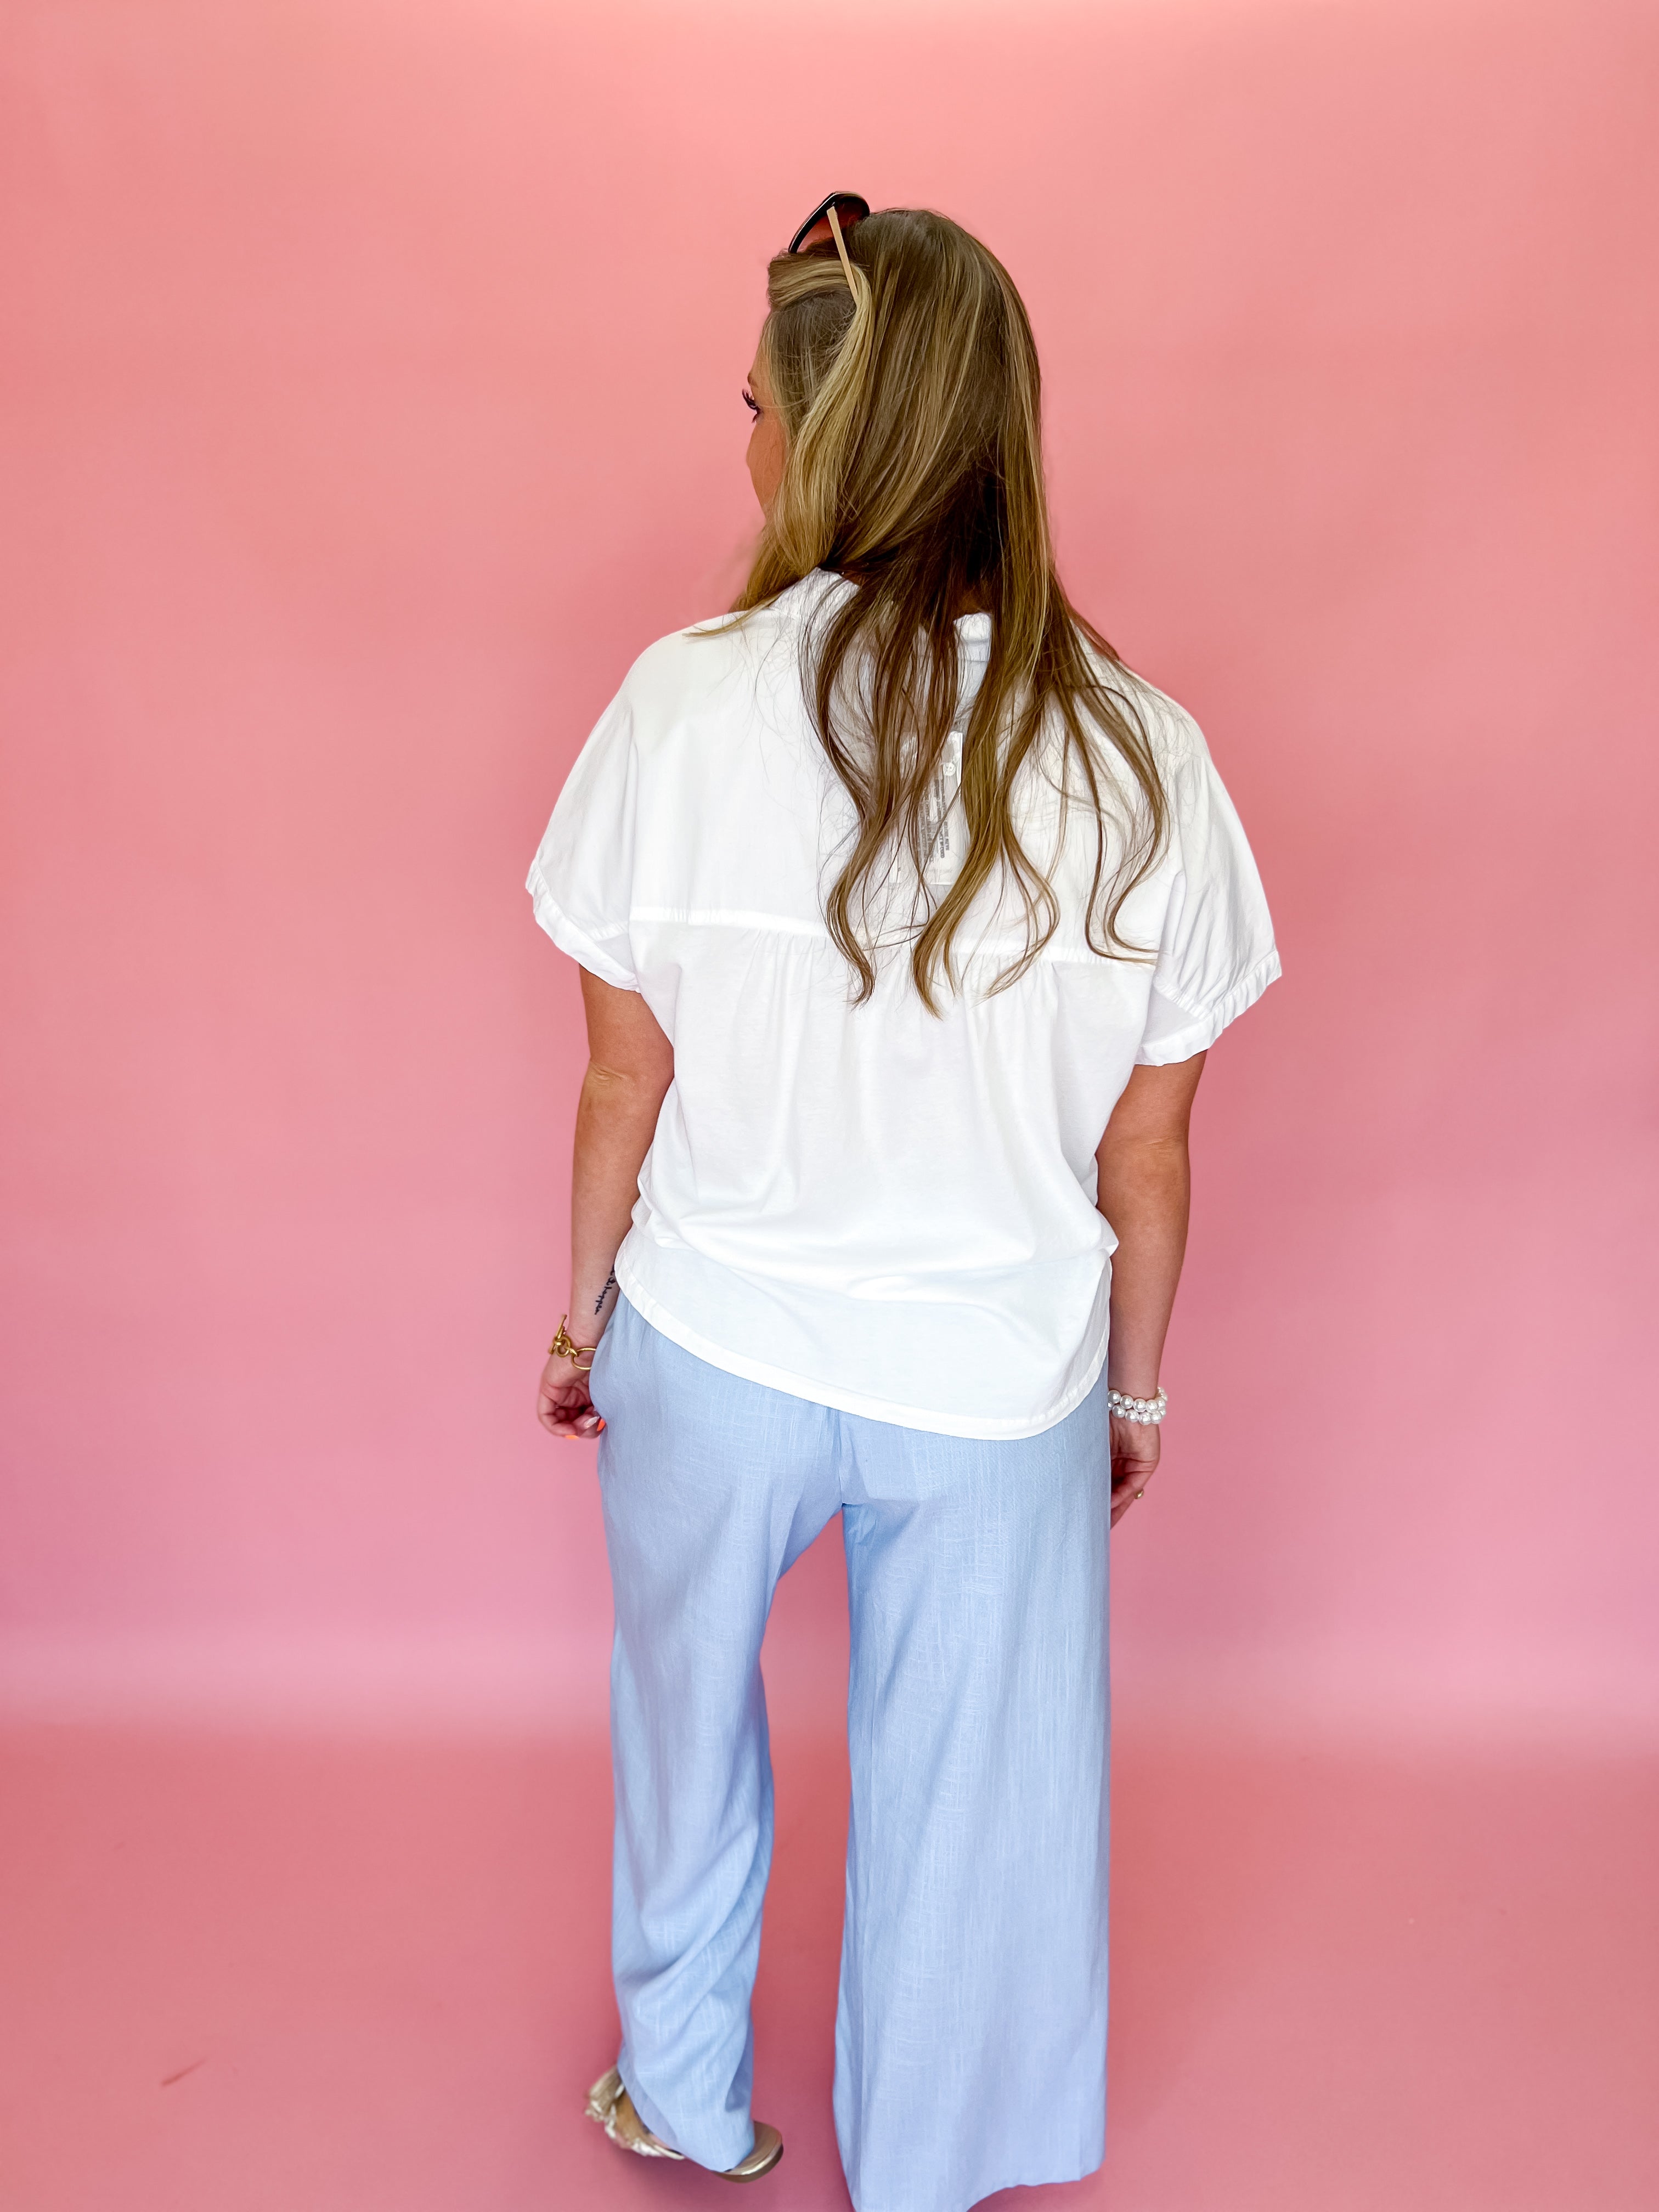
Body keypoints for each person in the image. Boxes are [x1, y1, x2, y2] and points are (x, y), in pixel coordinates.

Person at [527, 194, 1278, 2212]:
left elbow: (624, 1079)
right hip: (994, 1381)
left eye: (757, 406)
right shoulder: (1143, 758)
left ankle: (686, 2096)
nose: (745, 442)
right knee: (973, 1803)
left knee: (684, 1729)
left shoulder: (676, 703)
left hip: (716, 1340)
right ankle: (927, 2163)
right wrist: (1133, 1397)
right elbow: (1147, 1154)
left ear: (828, 437)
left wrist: (587, 1319)